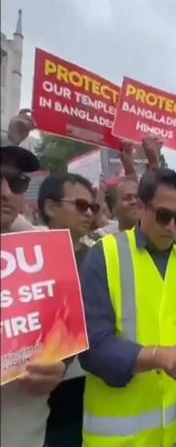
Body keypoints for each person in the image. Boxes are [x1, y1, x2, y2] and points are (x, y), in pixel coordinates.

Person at [78, 168, 176, 446]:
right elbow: (92, 346)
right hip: (118, 438)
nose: (171, 227)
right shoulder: (105, 256)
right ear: (140, 207)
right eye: (163, 216)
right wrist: (158, 357)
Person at [0, 133, 66, 447]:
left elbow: (59, 340)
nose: (5, 192)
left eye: (17, 182)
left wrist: (56, 367)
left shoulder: (42, 253)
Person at [37, 173, 99, 447]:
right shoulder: (23, 259)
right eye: (80, 205)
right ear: (50, 208)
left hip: (90, 384)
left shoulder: (99, 259)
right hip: (38, 389)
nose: (89, 214)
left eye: (93, 208)